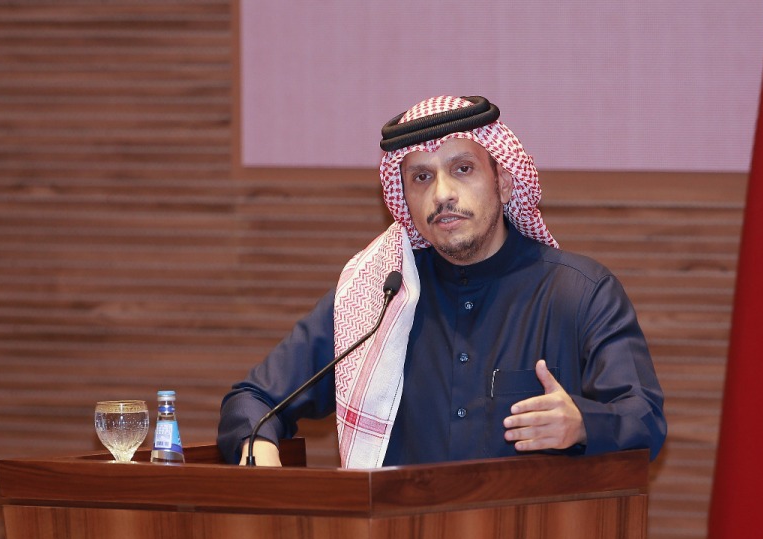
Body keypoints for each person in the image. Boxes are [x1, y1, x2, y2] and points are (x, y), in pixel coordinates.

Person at [218, 95, 665, 468]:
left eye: (462, 169)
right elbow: (253, 399)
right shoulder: (378, 297)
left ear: (504, 183)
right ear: (404, 199)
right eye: (421, 177)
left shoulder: (580, 293)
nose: (442, 194)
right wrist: (259, 448)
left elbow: (643, 418)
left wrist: (583, 423)